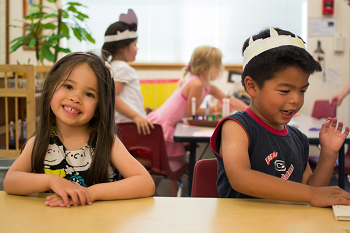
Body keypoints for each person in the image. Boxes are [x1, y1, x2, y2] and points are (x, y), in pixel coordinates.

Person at [210, 27, 350, 207]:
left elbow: (312, 190)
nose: (296, 99)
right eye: (285, 90)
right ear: (252, 86)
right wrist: (311, 194)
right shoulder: (237, 127)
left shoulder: (298, 138)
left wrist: (328, 154)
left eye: (302, 90)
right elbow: (240, 177)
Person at [3, 52, 155, 207]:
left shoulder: (106, 142)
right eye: (68, 86)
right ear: (50, 89)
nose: (75, 98)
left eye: (89, 94)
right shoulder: (39, 142)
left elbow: (145, 183)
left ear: (99, 107)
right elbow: (10, 181)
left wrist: (90, 193)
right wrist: (52, 180)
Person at [147, 45, 247, 196]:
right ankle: (164, 195)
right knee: (172, 165)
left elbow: (228, 100)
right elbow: (191, 112)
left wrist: (249, 110)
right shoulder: (197, 83)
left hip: (167, 124)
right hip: (163, 127)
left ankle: (162, 194)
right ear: (207, 67)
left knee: (169, 166)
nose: (219, 70)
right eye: (217, 66)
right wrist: (216, 109)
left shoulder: (205, 85)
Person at [102, 9, 153, 136]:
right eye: (135, 44)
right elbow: (113, 97)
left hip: (123, 124)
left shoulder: (112, 66)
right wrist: (136, 116)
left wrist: (142, 110)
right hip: (129, 125)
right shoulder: (122, 67)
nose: (137, 48)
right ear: (123, 47)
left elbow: (124, 97)